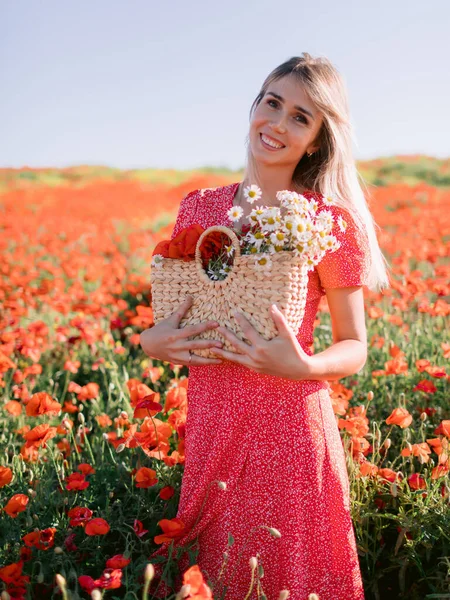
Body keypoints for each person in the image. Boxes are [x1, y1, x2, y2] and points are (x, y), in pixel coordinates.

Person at [140, 53, 391, 600]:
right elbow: (173, 318)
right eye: (272, 102)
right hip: (212, 428)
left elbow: (354, 346)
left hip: (290, 433)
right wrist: (150, 342)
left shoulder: (328, 221)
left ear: (317, 141)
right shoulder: (198, 209)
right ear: (254, 105)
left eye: (300, 117)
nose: (277, 123)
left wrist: (301, 365)